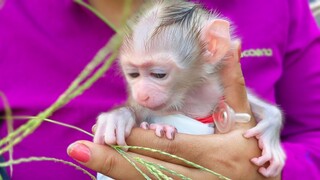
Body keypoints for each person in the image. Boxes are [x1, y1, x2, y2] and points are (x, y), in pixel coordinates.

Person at [0, 0, 319, 179]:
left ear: (212, 46)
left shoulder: (274, 7)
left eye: (158, 73)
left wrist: (273, 170)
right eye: (131, 73)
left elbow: (312, 131)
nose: (139, 90)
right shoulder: (10, 18)